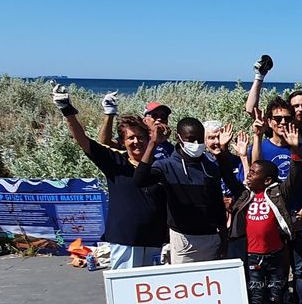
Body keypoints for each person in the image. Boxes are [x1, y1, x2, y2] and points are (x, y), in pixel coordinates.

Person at [53, 85, 168, 270]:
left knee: (152, 293)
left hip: (155, 239)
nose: (136, 142)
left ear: (148, 139)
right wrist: (67, 111)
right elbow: (83, 141)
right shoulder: (114, 161)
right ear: (122, 142)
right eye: (130, 138)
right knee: (126, 292)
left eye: (140, 137)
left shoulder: (160, 164)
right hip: (126, 239)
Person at [227, 123, 302, 304]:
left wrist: (295, 152)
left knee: (275, 296)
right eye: (249, 173)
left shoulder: (278, 193)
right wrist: (236, 155)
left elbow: (296, 177)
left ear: (267, 179)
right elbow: (231, 177)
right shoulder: (245, 195)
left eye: (253, 174)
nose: (248, 175)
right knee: (257, 298)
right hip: (253, 257)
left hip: (276, 255)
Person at [134, 116, 239, 263]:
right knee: (186, 285)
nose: (196, 144)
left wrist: (223, 238)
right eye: (190, 139)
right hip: (183, 240)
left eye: (200, 140)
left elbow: (217, 206)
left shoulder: (210, 167)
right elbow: (140, 180)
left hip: (211, 239)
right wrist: (153, 143)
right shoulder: (166, 166)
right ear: (179, 138)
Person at [252, 98, 302, 304]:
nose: (282, 123)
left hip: (299, 219)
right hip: (271, 223)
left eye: (287, 119)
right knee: (273, 272)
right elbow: (254, 175)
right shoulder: (263, 147)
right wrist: (257, 136)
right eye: (277, 119)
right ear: (269, 121)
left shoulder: (301, 145)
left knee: (300, 270)